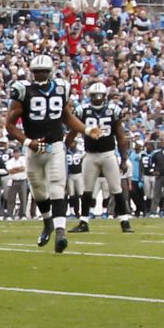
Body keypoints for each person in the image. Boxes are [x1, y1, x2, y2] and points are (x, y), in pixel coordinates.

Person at [4, 54, 89, 253]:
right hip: (34, 147)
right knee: (38, 190)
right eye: (36, 72)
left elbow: (68, 117)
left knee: (57, 186)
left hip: (54, 145)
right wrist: (28, 142)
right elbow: (9, 124)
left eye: (43, 71)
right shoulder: (23, 91)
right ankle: (48, 223)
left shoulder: (61, 88)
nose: (40, 75)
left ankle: (61, 232)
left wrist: (87, 130)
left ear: (50, 72)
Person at [67, 82, 133, 233]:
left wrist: (123, 159)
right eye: (94, 96)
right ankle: (83, 222)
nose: (97, 98)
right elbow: (73, 131)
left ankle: (124, 221)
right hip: (90, 154)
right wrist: (64, 147)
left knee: (116, 188)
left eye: (99, 96)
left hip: (108, 153)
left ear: (104, 96)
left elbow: (121, 136)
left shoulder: (113, 110)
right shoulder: (82, 110)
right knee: (87, 190)